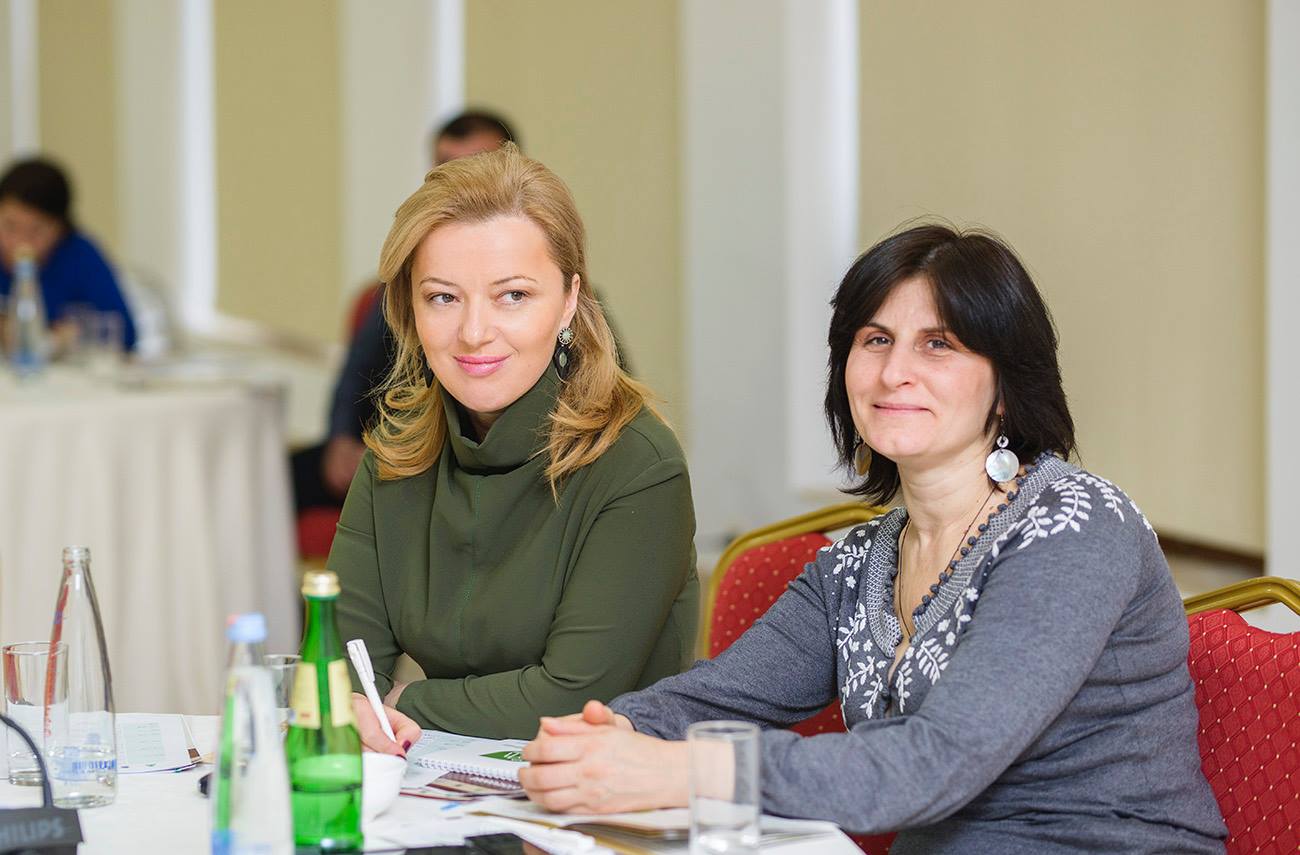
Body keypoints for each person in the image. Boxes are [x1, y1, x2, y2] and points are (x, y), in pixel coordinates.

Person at [519, 224, 1227, 854]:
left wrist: (685, 770)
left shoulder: (1076, 525)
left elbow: (935, 761)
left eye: (939, 344)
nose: (894, 373)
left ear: (1006, 385)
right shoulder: (859, 561)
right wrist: (607, 735)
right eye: (876, 340)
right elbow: (718, 698)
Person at [331, 144, 698, 748]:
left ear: (569, 301)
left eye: (513, 296)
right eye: (443, 297)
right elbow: (339, 666)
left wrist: (402, 702)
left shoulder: (638, 466)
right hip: (445, 779)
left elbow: (572, 697)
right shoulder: (396, 453)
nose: (474, 333)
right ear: (409, 309)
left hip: (608, 787)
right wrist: (355, 702)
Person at [293, 111, 520, 511]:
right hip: (399, 441)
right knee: (274, 478)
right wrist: (342, 439)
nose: (459, 181)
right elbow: (358, 370)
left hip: (490, 456)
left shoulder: (554, 287)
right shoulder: (405, 279)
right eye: (445, 167)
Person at [0, 157, 137, 352]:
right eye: (10, 226)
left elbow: (125, 333)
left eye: (36, 230)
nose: (21, 242)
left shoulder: (80, 255)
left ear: (60, 228)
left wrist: (68, 336)